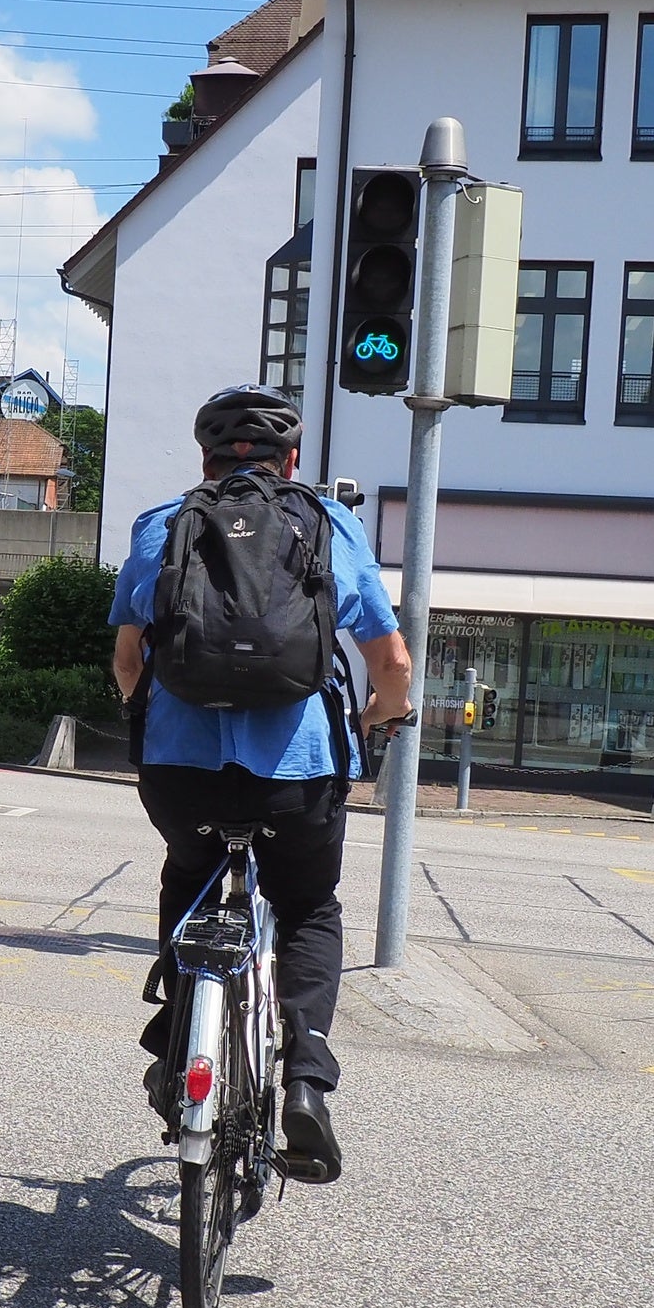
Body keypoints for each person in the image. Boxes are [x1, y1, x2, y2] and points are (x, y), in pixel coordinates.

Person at [111, 386, 413, 1183]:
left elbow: (127, 661)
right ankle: (306, 1080)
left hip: (184, 774)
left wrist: (150, 707)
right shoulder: (328, 522)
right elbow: (393, 664)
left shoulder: (161, 525)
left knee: (188, 873)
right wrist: (387, 712)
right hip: (298, 775)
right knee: (310, 905)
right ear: (292, 461)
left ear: (204, 459)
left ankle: (180, 1034)